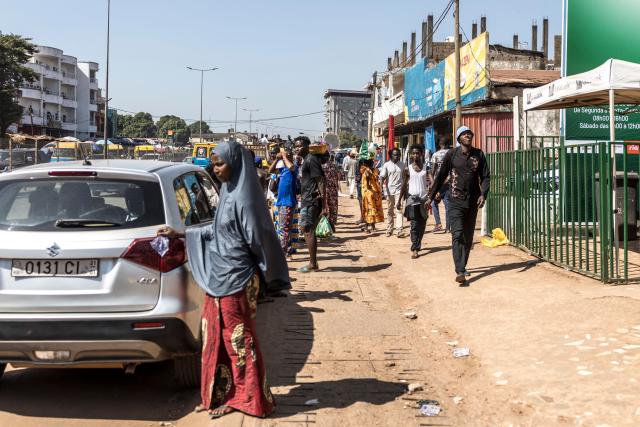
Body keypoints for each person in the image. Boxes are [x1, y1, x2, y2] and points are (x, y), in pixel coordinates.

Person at [157, 140, 289, 419]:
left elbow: (258, 239)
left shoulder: (245, 199)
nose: (216, 169)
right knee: (214, 338)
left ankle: (251, 399)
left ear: (236, 163)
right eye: (213, 164)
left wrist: (266, 273)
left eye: (220, 163)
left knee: (239, 341)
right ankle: (222, 394)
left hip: (236, 280)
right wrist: (181, 233)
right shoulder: (228, 192)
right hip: (218, 277)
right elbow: (218, 232)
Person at [429, 126, 490, 284]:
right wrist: (431, 196)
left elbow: (485, 176)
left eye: (469, 133)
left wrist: (483, 193)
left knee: (468, 238)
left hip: (472, 201)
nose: (467, 135)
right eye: (464, 134)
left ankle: (463, 265)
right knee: (457, 235)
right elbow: (441, 175)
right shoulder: (452, 154)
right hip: (455, 200)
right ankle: (460, 270)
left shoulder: (479, 154)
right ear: (459, 138)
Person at [295, 136, 327, 273]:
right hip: (308, 199)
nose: (297, 148)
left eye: (299, 146)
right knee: (308, 230)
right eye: (295, 146)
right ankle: (313, 263)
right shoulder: (306, 160)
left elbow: (320, 180)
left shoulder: (311, 159)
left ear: (307, 146)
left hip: (310, 201)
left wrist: (323, 204)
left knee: (306, 229)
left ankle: (313, 263)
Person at [397, 144, 431, 259]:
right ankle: (415, 248)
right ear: (411, 155)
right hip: (412, 200)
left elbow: (433, 181)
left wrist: (434, 192)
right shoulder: (407, 169)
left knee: (422, 223)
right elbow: (403, 186)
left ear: (421, 154)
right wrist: (399, 200)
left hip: (424, 200)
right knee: (414, 224)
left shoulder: (426, 168)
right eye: (413, 153)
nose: (415, 155)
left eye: (417, 153)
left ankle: (418, 243)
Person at [270, 148, 299, 258]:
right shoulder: (282, 169)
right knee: (283, 228)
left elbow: (291, 166)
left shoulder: (293, 167)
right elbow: (270, 171)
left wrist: (284, 156)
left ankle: (283, 253)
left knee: (284, 229)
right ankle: (285, 251)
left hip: (287, 202)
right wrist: (277, 159)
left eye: (290, 154)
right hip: (281, 202)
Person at [379, 147, 405, 237]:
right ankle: (389, 229)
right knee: (390, 211)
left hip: (399, 191)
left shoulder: (403, 165)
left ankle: (399, 230)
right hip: (389, 191)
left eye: (398, 154)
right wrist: (381, 188)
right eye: (394, 154)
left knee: (399, 209)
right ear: (390, 155)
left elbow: (405, 178)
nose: (396, 156)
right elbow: (382, 177)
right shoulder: (386, 165)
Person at [430, 137, 451, 233]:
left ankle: (438, 223)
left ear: (440, 144)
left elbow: (432, 171)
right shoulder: (452, 153)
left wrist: (434, 185)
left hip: (438, 184)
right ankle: (448, 227)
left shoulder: (435, 155)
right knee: (448, 205)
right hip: (449, 183)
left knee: (434, 203)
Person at [360, 151, 384, 234]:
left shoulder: (368, 170)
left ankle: (369, 226)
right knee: (372, 208)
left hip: (370, 192)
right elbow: (370, 178)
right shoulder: (369, 170)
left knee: (369, 209)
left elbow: (370, 177)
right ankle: (371, 226)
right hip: (372, 192)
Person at [322, 151, 340, 230]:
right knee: (333, 207)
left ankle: (325, 226)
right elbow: (337, 177)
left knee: (325, 207)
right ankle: (332, 224)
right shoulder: (334, 165)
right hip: (333, 189)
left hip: (324, 189)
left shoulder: (321, 166)